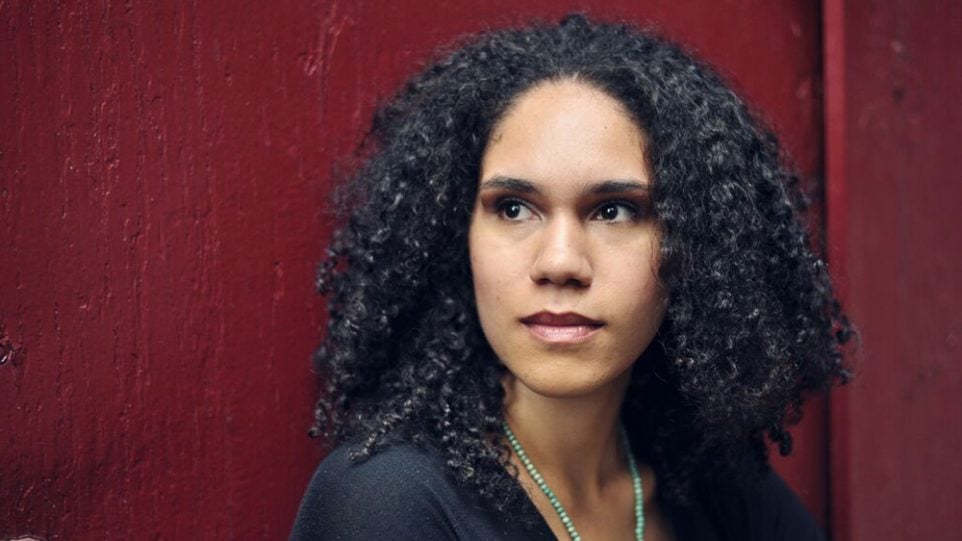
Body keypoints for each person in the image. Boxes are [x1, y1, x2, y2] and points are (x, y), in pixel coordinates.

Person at [290, 14, 851, 541]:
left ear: (697, 245)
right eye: (512, 208)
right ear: (454, 236)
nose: (559, 262)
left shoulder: (718, 491)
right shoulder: (387, 504)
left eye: (614, 211)